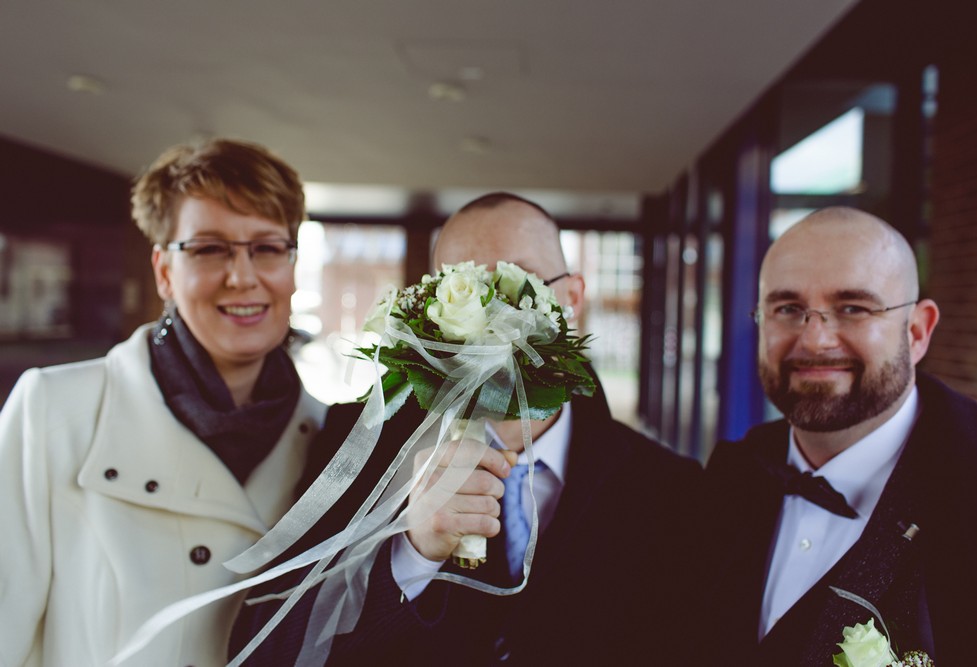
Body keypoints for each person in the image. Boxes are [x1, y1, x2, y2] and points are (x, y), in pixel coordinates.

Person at [231, 192, 704, 665]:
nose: (494, 317)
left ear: (573, 298)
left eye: (520, 285)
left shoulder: (668, 486)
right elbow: (267, 646)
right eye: (468, 290)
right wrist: (411, 555)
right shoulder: (357, 444)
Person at [0, 138, 327, 667]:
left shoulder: (332, 440)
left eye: (266, 248)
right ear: (164, 271)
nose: (242, 276)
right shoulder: (54, 412)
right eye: (209, 248)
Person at [696, 207, 977, 666]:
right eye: (788, 309)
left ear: (917, 332)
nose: (815, 341)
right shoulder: (731, 473)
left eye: (853, 308)